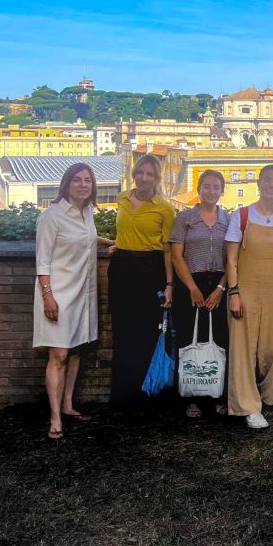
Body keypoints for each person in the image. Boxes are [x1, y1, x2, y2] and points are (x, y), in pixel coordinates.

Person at [34, 163, 115, 438]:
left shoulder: (87, 212)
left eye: (88, 181)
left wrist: (109, 243)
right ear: (67, 183)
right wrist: (48, 296)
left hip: (83, 293)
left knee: (77, 349)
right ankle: (55, 417)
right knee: (59, 354)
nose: (83, 185)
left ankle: (68, 405)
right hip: (57, 293)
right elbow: (42, 260)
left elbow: (87, 239)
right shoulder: (51, 216)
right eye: (78, 180)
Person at [225, 165, 273, 429]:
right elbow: (231, 259)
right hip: (245, 290)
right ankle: (248, 405)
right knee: (242, 349)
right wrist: (234, 292)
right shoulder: (242, 216)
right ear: (259, 182)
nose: (272, 185)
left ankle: (265, 394)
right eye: (267, 180)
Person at [108, 154, 176, 409]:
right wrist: (118, 245)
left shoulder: (164, 208)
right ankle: (121, 395)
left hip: (150, 271)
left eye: (150, 174)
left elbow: (168, 249)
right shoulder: (122, 198)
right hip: (122, 269)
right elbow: (125, 231)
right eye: (140, 173)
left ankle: (144, 395)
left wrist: (170, 285)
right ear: (134, 174)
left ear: (157, 178)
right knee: (122, 332)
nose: (144, 178)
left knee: (146, 333)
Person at [169, 169, 229, 420]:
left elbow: (235, 259)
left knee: (221, 340)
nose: (211, 191)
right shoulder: (185, 218)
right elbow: (176, 254)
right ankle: (190, 397)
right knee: (188, 339)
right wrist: (192, 287)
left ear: (222, 191)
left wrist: (221, 288)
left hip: (219, 284)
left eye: (216, 187)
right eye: (207, 186)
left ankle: (218, 395)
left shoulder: (228, 219)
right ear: (199, 188)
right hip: (189, 283)